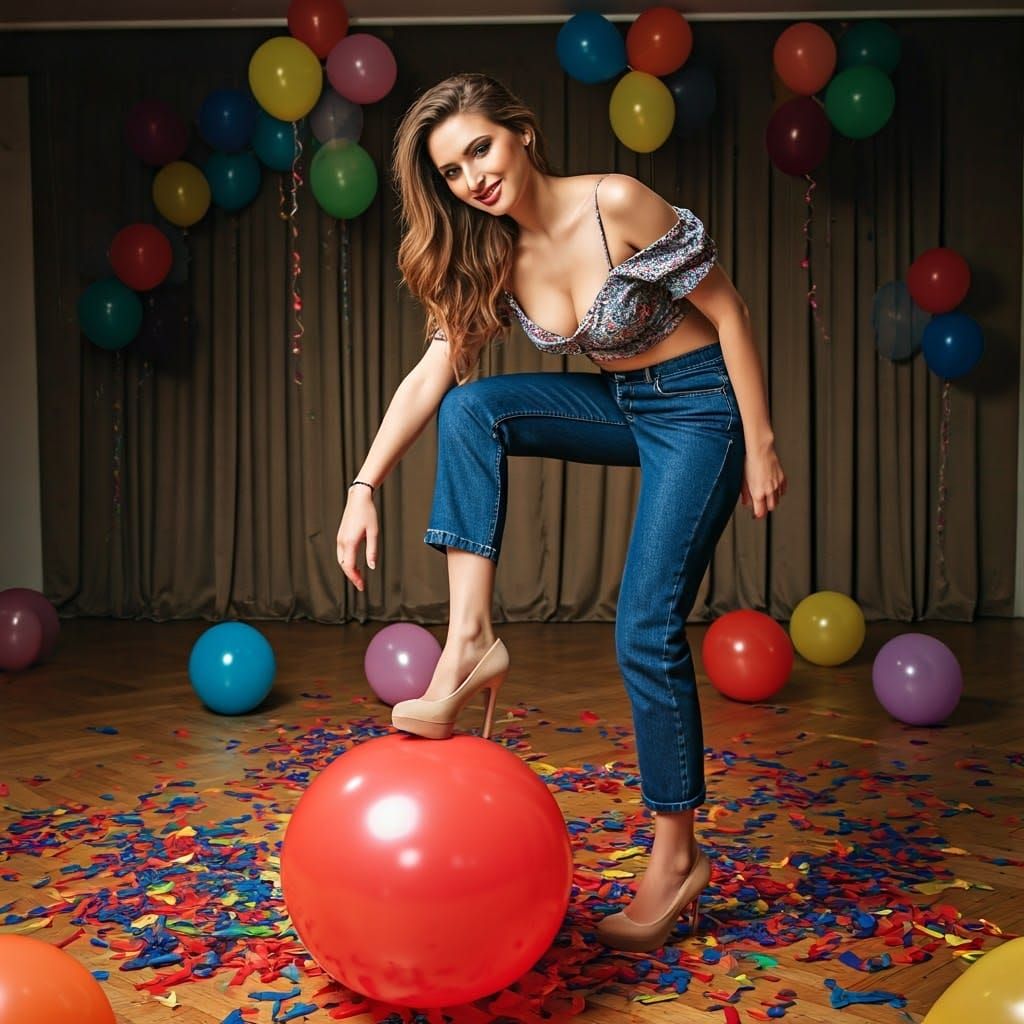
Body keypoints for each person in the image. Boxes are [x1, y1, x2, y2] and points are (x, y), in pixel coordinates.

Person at [336, 72, 786, 952]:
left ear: (522, 134)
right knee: (474, 407)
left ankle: (676, 853)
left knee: (644, 627)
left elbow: (728, 310)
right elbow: (433, 374)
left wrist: (760, 441)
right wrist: (363, 487)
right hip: (625, 408)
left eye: (480, 148)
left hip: (702, 412)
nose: (473, 178)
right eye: (453, 171)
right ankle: (468, 641)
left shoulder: (614, 202)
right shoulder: (493, 253)